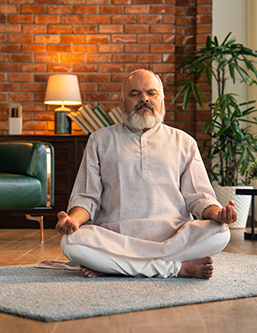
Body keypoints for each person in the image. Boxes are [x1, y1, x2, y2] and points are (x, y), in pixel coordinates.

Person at [56, 69, 237, 279]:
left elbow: (199, 197)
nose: (144, 99)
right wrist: (73, 221)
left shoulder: (184, 142)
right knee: (70, 242)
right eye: (135, 94)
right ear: (122, 102)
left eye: (152, 93)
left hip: (173, 237)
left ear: (162, 100)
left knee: (220, 232)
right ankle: (176, 269)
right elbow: (87, 197)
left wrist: (217, 213)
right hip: (116, 238)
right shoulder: (100, 140)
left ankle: (116, 267)